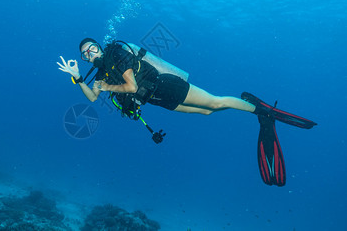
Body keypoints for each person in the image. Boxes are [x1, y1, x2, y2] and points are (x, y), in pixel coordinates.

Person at [57, 38, 317, 186]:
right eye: (84, 54)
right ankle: (255, 108)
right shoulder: (99, 73)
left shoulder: (116, 53)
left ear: (100, 47)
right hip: (159, 100)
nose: (89, 54)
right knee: (207, 113)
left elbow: (131, 86)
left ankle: (259, 109)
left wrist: (106, 86)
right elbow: (93, 97)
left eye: (92, 48)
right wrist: (78, 78)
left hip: (166, 86)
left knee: (214, 103)